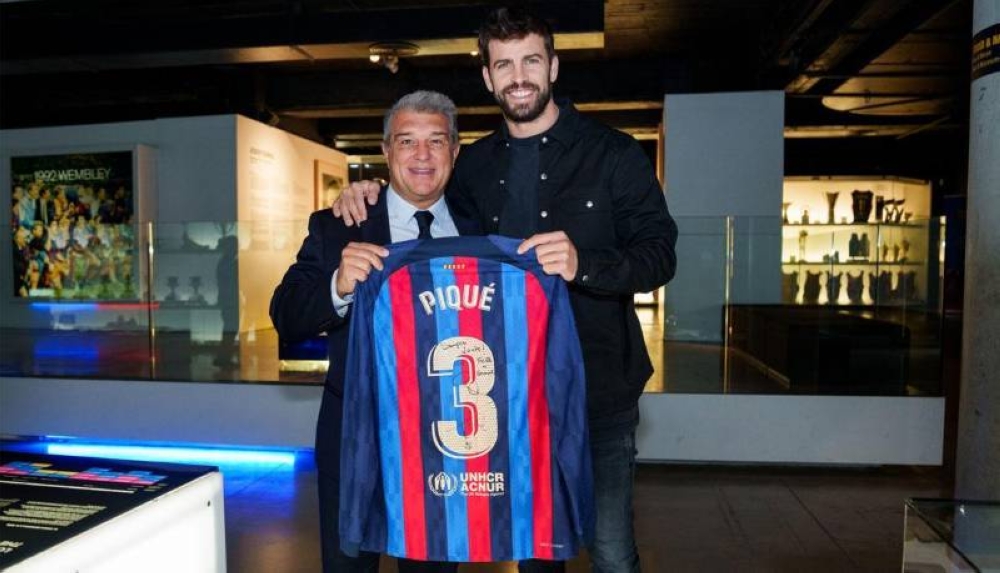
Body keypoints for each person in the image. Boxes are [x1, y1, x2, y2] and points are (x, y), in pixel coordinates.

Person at [332, 7, 678, 573]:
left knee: (612, 551)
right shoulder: (473, 167)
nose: (519, 77)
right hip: (511, 400)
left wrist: (585, 264)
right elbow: (422, 202)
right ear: (488, 77)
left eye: (531, 61)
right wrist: (366, 189)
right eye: (504, 65)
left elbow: (660, 255)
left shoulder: (614, 153)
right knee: (534, 551)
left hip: (599, 392)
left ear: (553, 67)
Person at [270, 90, 477, 573]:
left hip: (447, 447)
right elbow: (287, 315)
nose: (422, 155)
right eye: (407, 141)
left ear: (454, 151)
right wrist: (337, 286)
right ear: (386, 151)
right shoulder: (339, 225)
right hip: (354, 443)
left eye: (436, 141)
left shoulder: (480, 228)